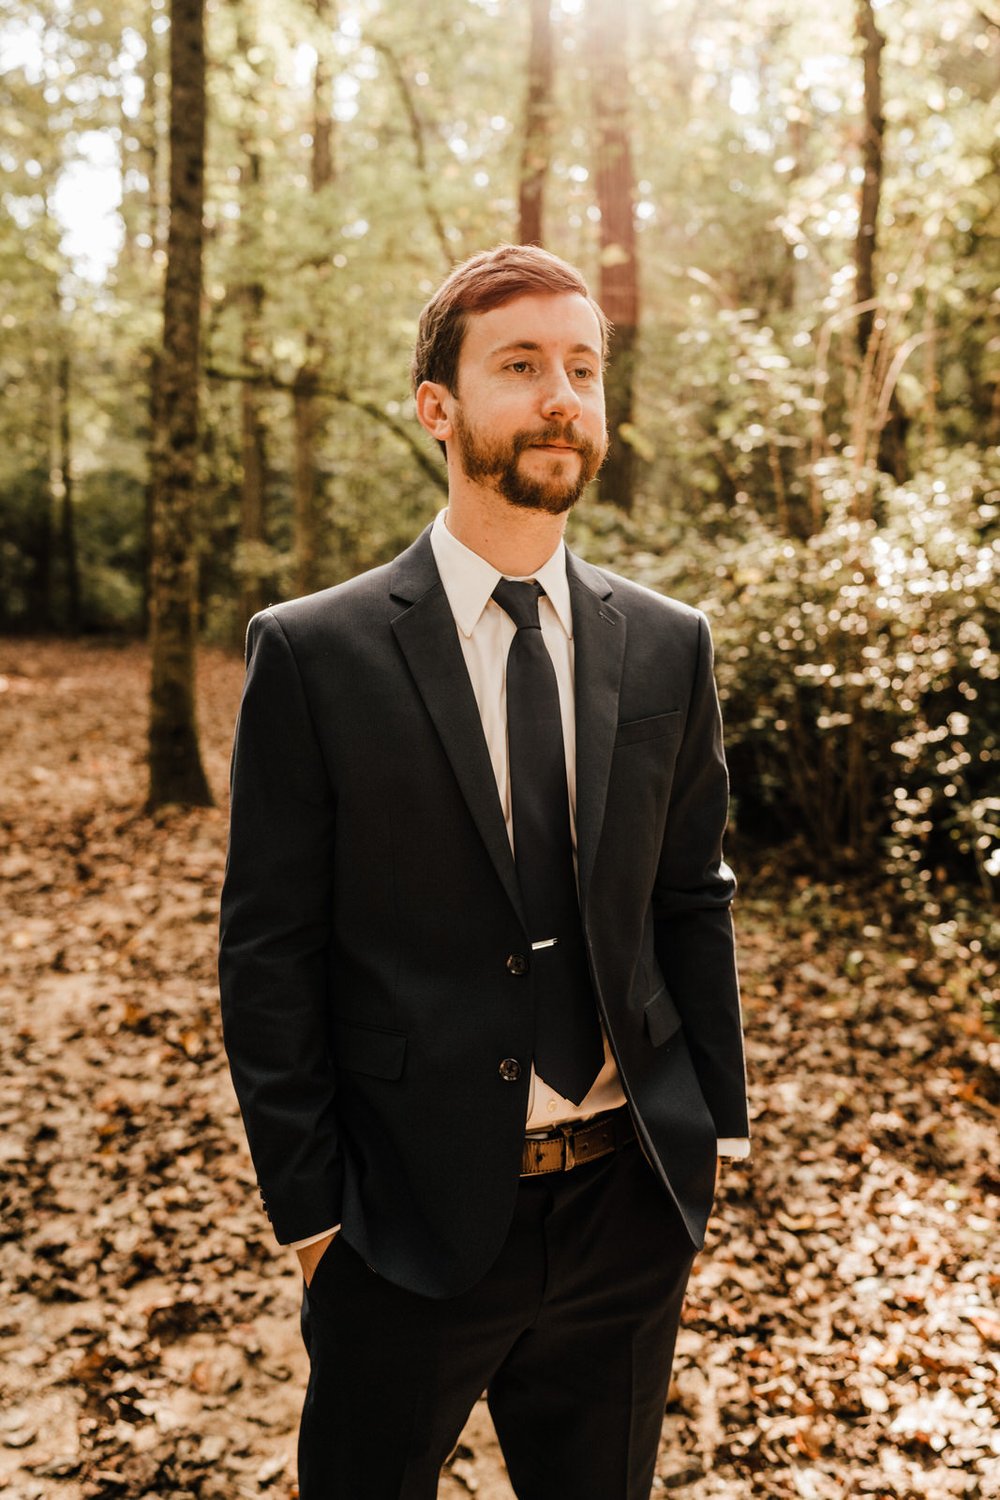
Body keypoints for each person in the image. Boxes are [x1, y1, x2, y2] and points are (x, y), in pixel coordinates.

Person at [219, 243, 749, 1500]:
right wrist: (314, 1219)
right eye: (519, 365)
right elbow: (268, 950)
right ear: (437, 406)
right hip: (403, 1222)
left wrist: (707, 1138)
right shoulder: (314, 653)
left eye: (582, 365)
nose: (560, 393)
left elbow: (691, 898)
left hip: (626, 1204)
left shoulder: (669, 646)